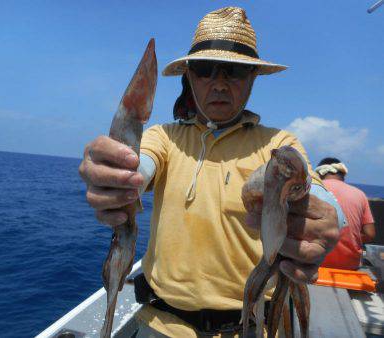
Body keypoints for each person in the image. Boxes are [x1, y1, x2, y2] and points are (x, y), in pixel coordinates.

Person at [80, 7, 341, 337]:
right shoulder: (165, 137)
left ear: (252, 78)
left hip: (252, 327)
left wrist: (329, 215)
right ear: (189, 77)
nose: (219, 83)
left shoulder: (278, 142)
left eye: (234, 71)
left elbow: (312, 187)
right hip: (161, 325)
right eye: (205, 70)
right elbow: (141, 163)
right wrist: (117, 171)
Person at [316, 157, 375, 270]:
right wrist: (349, 236)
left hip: (312, 262)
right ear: (343, 175)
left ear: (319, 174)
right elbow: (370, 234)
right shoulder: (359, 194)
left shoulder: (310, 190)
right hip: (349, 265)